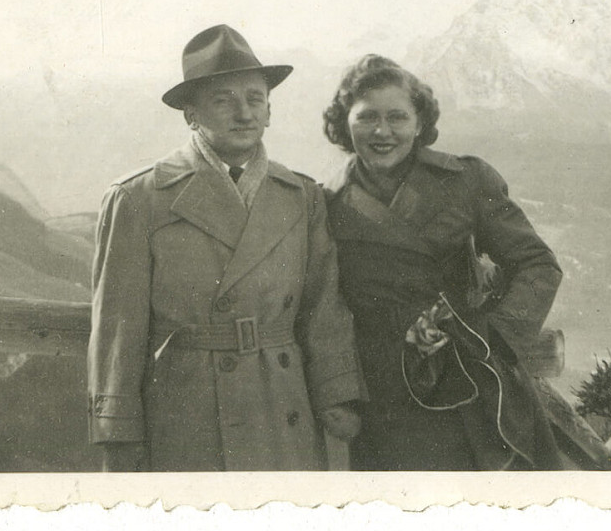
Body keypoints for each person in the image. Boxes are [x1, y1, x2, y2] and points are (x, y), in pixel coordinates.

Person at [88, 25, 364, 471]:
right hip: (186, 411)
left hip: (282, 405)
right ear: (191, 115)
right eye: (223, 100)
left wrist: (339, 393)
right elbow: (118, 330)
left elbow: (322, 307)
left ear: (270, 111)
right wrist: (116, 430)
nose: (243, 113)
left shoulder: (301, 196)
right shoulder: (139, 198)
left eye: (255, 99)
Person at [322, 54, 563, 470]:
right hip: (383, 399)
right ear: (345, 123)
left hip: (473, 384)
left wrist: (492, 337)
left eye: (397, 117)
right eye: (367, 118)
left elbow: (537, 265)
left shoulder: (467, 181)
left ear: (420, 124)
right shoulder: (326, 202)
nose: (382, 132)